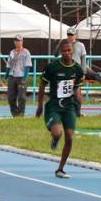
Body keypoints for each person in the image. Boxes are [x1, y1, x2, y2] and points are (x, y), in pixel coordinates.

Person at [35, 39, 84, 179]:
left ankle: (60, 169)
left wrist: (79, 98)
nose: (67, 53)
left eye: (69, 50)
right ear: (61, 52)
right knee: (58, 133)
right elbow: (42, 85)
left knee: (69, 137)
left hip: (69, 107)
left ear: (72, 51)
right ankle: (55, 139)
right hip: (54, 106)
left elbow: (77, 87)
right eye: (64, 51)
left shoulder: (77, 69)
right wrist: (39, 106)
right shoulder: (52, 67)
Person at [4, 35, 31, 117]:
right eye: (15, 41)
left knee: (21, 97)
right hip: (12, 76)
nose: (17, 42)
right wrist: (6, 76)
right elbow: (8, 65)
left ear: (22, 41)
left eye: (18, 41)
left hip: (21, 76)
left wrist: (25, 78)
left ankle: (21, 114)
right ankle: (15, 114)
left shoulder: (26, 52)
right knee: (10, 97)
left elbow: (28, 66)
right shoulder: (12, 52)